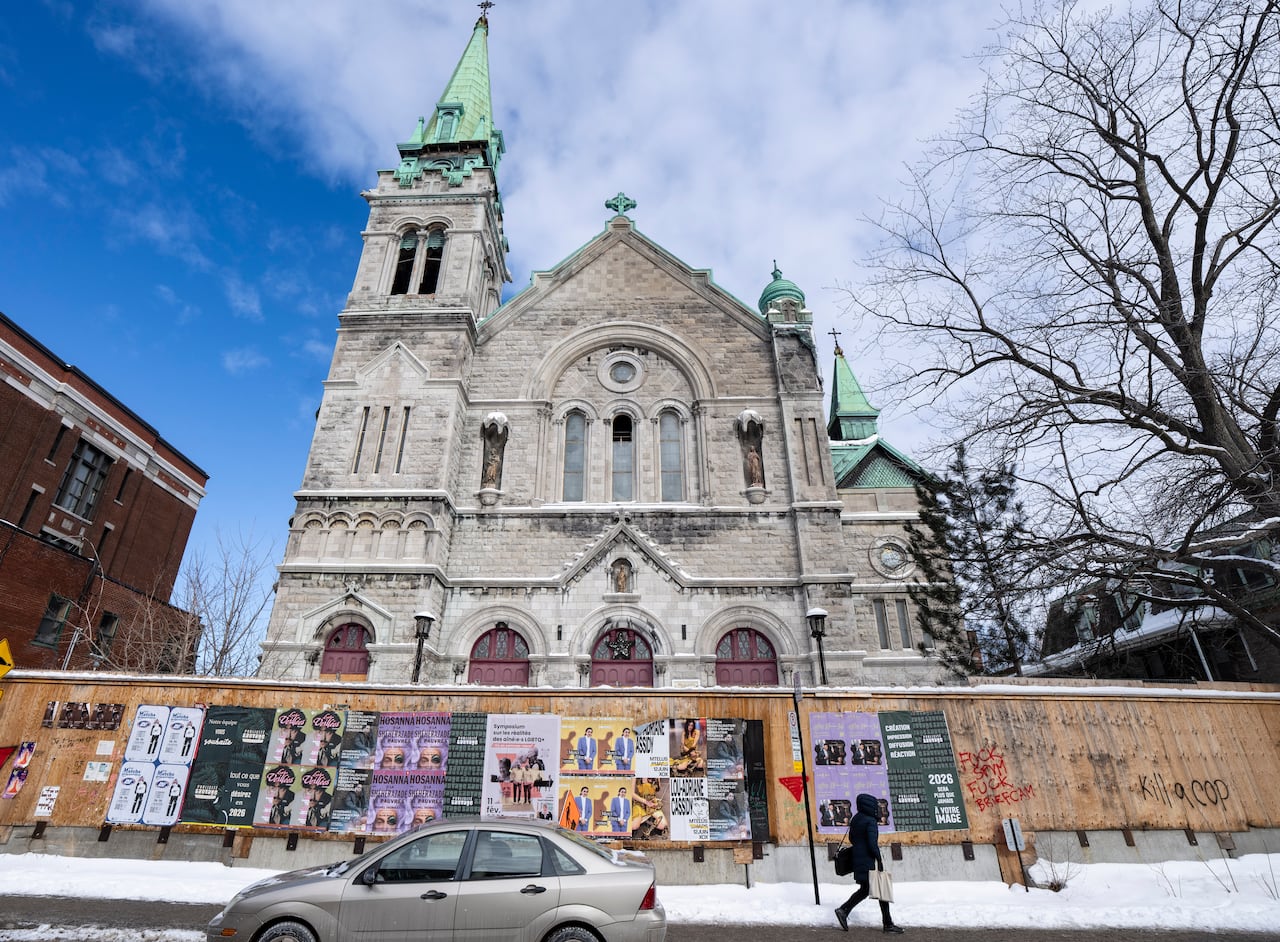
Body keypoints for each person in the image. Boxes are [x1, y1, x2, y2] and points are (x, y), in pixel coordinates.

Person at [834, 792, 903, 934]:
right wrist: (879, 858)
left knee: (866, 889)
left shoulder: (856, 819)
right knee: (881, 890)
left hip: (858, 859)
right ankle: (887, 924)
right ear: (870, 805)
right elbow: (872, 844)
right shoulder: (870, 821)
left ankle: (844, 910)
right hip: (868, 860)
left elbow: (853, 839)